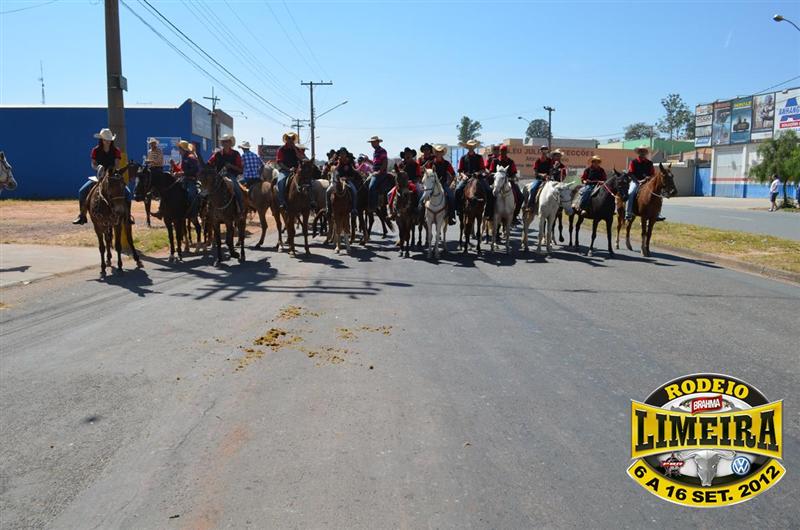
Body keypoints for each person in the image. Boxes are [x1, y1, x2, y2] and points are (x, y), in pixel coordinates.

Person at [73, 127, 130, 224]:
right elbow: (93, 164)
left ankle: (127, 217)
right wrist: (98, 168)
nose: (107, 142)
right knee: (82, 191)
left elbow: (117, 164)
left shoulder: (116, 150)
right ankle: (82, 216)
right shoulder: (95, 150)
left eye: (109, 140)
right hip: (99, 176)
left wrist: (112, 170)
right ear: (101, 140)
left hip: (112, 176)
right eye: (105, 140)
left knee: (128, 193)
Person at [455, 139, 493, 219]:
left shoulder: (479, 157)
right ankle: (459, 209)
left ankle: (487, 211)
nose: (471, 148)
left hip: (478, 178)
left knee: (489, 191)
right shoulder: (463, 158)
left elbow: (483, 169)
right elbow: (460, 170)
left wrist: (478, 173)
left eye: (472, 146)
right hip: (467, 177)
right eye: (469, 146)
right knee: (457, 190)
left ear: (474, 147)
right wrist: (463, 175)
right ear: (467, 147)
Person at [625, 145, 664, 221]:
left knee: (658, 195)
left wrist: (649, 178)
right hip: (636, 181)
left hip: (648, 182)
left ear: (646, 153)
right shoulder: (633, 162)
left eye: (644, 151)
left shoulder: (650, 163)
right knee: (631, 192)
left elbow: (652, 174)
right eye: (641, 151)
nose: (643, 153)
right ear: (639, 152)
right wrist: (638, 181)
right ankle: (629, 213)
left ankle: (657, 213)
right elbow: (630, 173)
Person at [207, 133, 244, 213]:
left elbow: (241, 169)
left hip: (231, 175)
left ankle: (241, 209)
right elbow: (209, 163)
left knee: (237, 188)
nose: (225, 143)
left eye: (227, 141)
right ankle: (205, 211)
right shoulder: (217, 154)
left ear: (230, 143)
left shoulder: (236, 154)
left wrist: (231, 166)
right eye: (223, 141)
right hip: (218, 175)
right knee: (206, 189)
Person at [421, 144, 457, 225]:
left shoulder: (447, 163)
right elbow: (426, 174)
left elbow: (453, 174)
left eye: (440, 152)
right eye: (437, 152)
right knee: (423, 198)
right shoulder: (431, 163)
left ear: (442, 153)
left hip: (443, 184)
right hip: (431, 185)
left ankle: (451, 217)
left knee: (451, 196)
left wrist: (449, 183)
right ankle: (423, 217)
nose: (438, 153)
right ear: (435, 153)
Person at [488, 144, 521, 221]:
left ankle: (514, 216)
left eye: (504, 151)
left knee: (520, 196)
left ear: (506, 152)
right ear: (499, 151)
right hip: (497, 182)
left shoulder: (510, 161)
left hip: (508, 181)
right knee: (489, 195)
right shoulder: (495, 161)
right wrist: (497, 175)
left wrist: (511, 178)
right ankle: (489, 214)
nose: (503, 152)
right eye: (502, 151)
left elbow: (514, 173)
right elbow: (491, 172)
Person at [325, 147, 359, 216]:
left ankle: (354, 208)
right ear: (339, 155)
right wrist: (332, 161)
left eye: (344, 153)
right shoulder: (336, 162)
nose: (342, 155)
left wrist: (347, 178)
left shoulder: (350, 163)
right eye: (341, 153)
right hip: (337, 181)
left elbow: (354, 174)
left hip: (348, 181)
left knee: (354, 191)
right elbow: (328, 168)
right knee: (327, 191)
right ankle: (328, 208)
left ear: (346, 154)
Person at [388, 148, 420, 217]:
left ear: (412, 155)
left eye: (409, 154)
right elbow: (398, 174)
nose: (408, 155)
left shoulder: (416, 164)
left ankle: (417, 208)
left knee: (419, 191)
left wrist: (412, 181)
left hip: (413, 182)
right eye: (406, 154)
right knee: (389, 193)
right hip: (402, 184)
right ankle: (391, 210)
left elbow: (418, 176)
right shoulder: (401, 164)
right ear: (404, 156)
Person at [275, 131, 302, 210]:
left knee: (308, 182)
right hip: (285, 171)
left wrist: (295, 149)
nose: (290, 140)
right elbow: (279, 162)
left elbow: (301, 158)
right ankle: (282, 202)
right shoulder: (281, 149)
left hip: (297, 171)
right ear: (286, 139)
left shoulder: (297, 149)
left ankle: (311, 201)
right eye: (289, 138)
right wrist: (288, 169)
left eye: (292, 139)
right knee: (280, 182)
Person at [366, 135, 389, 213]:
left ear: (378, 142)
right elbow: (375, 164)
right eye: (371, 142)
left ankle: (373, 206)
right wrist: (368, 160)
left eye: (373, 142)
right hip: (374, 172)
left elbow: (385, 163)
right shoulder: (375, 152)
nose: (372, 144)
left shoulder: (382, 151)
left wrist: (379, 172)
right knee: (364, 183)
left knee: (371, 186)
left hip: (381, 173)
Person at [526, 145, 552, 209]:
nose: (544, 151)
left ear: (547, 151)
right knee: (533, 189)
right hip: (539, 179)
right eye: (543, 150)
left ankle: (558, 208)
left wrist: (549, 176)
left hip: (548, 179)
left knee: (556, 189)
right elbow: (535, 172)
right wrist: (542, 175)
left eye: (545, 150)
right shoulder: (538, 161)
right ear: (540, 151)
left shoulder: (550, 160)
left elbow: (551, 170)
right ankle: (530, 206)